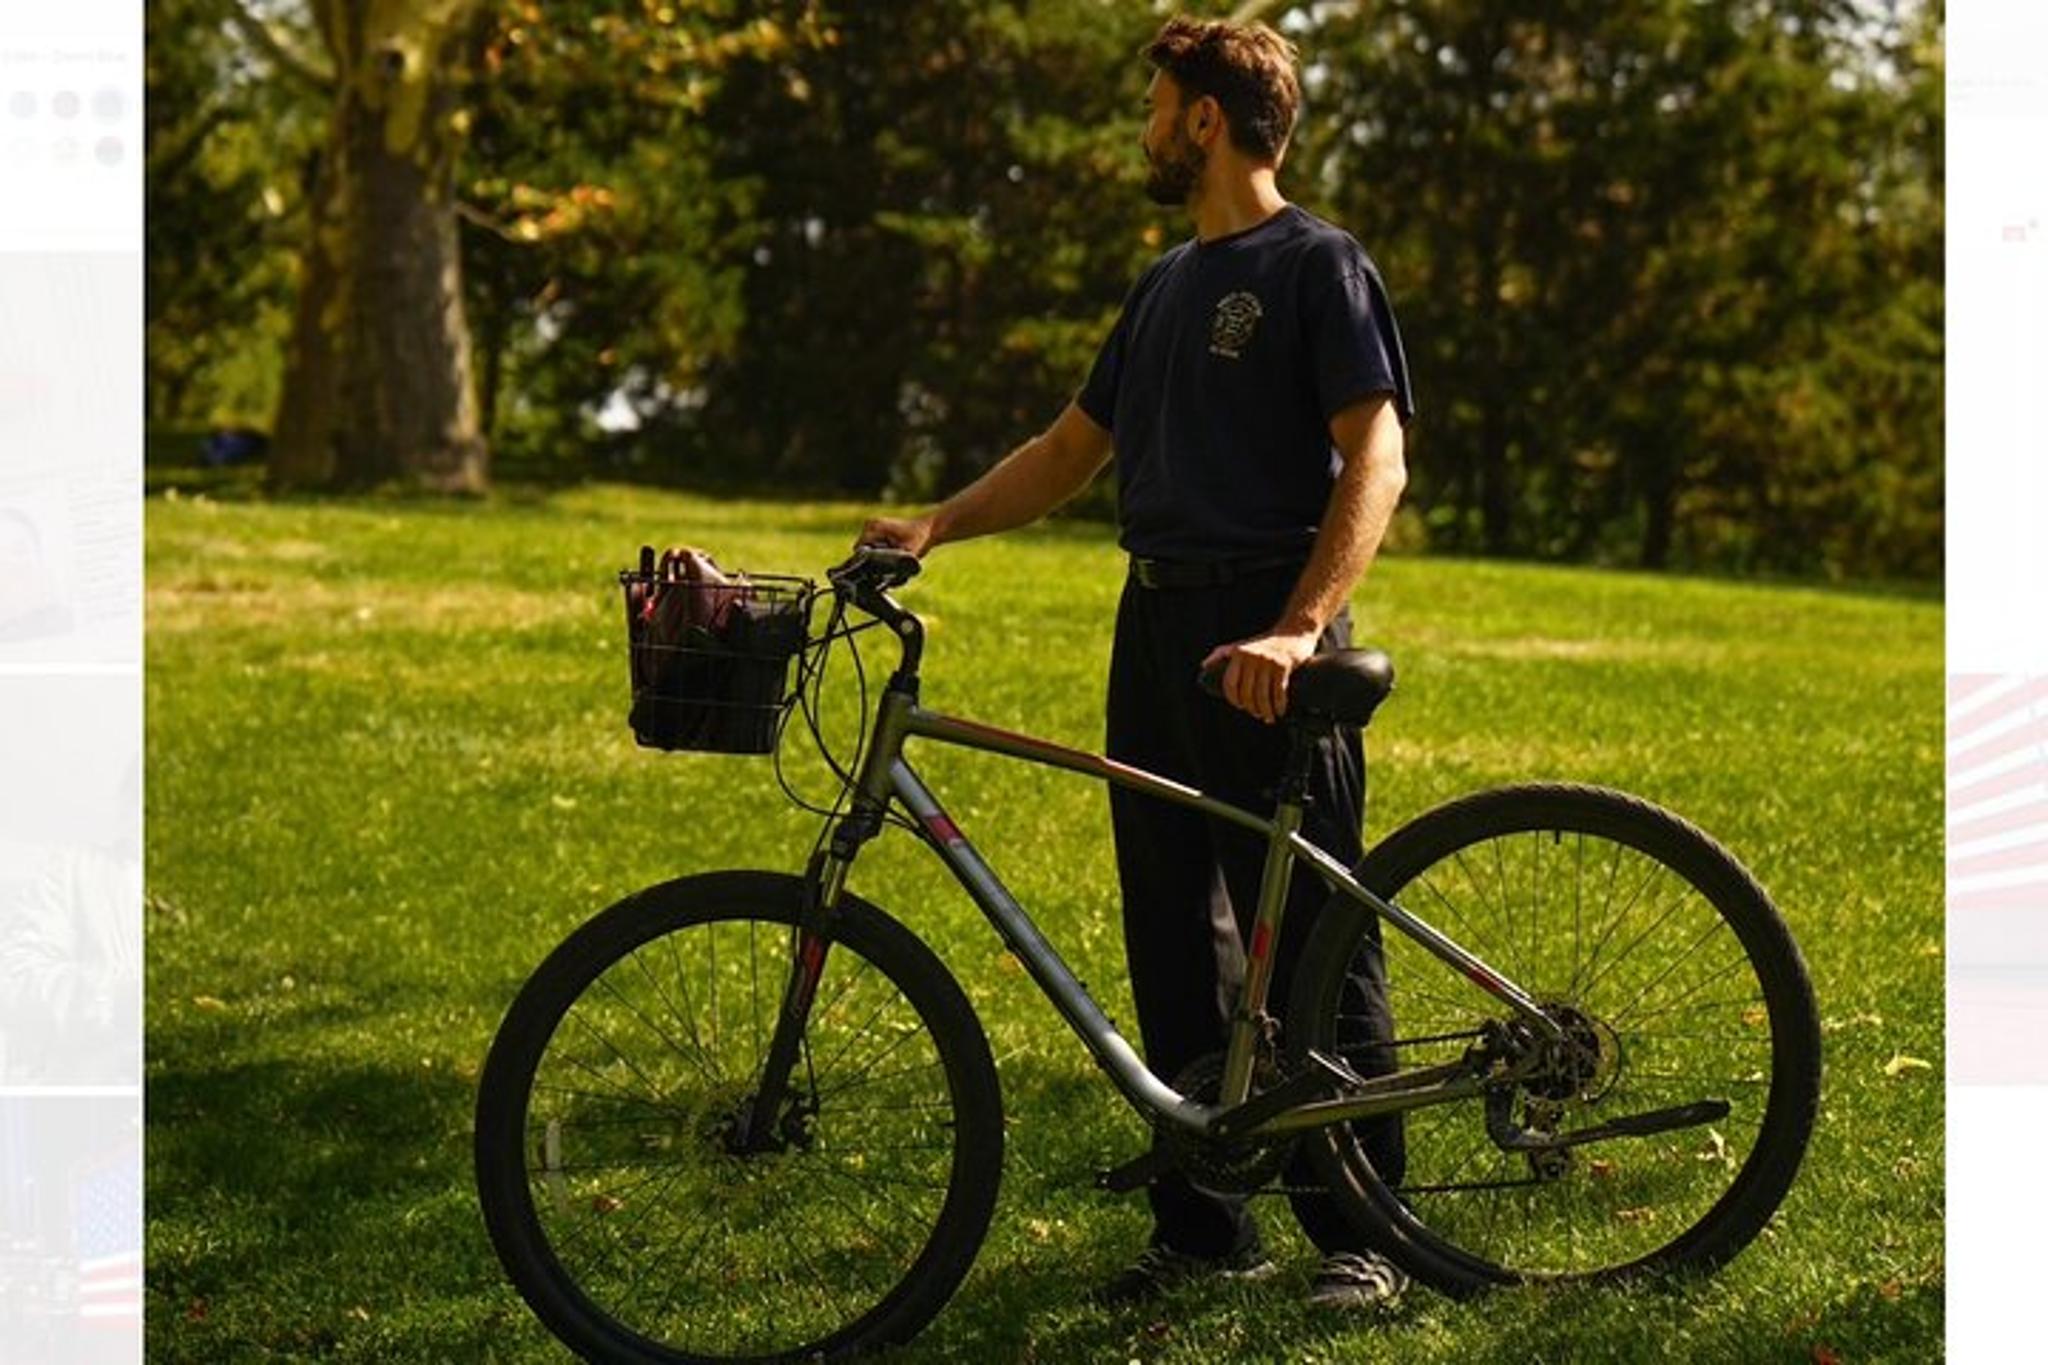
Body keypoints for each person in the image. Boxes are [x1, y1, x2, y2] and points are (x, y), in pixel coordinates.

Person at [857, 14, 1414, 1312]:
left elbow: (1375, 455)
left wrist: (1294, 625)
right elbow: (1069, 449)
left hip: (1267, 630)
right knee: (1173, 924)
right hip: (1153, 625)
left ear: (1205, 121)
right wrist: (935, 524)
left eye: (1158, 106)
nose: (1147, 128)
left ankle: (1364, 1227)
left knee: (1313, 934)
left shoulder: (1317, 267)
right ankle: (1206, 1220)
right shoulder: (1163, 286)